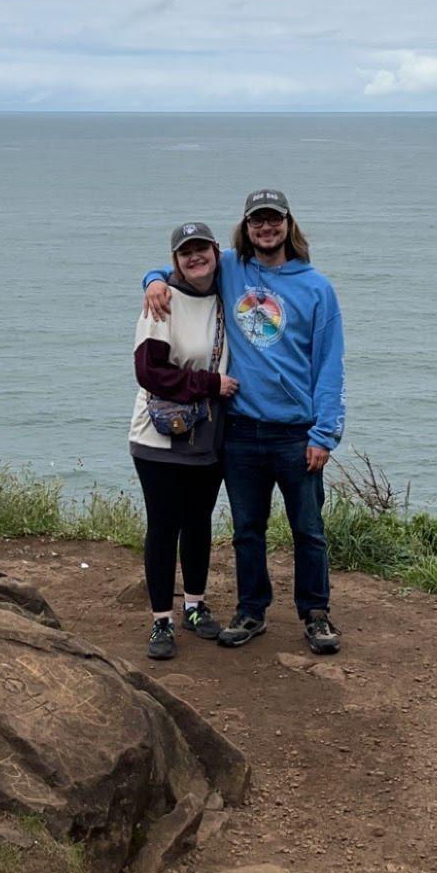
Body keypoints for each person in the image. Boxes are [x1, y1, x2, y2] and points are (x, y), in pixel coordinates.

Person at [142, 188, 345, 654]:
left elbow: (330, 366)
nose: (266, 228)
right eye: (258, 221)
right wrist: (152, 279)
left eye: (274, 220)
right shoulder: (231, 268)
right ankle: (252, 610)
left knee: (308, 530)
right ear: (246, 228)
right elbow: (185, 269)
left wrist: (325, 433)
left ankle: (316, 615)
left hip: (297, 432)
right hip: (242, 429)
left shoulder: (318, 288)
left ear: (288, 225)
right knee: (247, 530)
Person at [129, 220, 241, 660]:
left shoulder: (228, 295)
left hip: (209, 433)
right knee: (163, 525)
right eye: (185, 252)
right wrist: (210, 384)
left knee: (198, 520)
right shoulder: (161, 302)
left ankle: (194, 604)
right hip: (158, 437)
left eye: (201, 250)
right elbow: (149, 371)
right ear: (175, 259)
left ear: (216, 251)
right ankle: (161, 621)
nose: (195, 258)